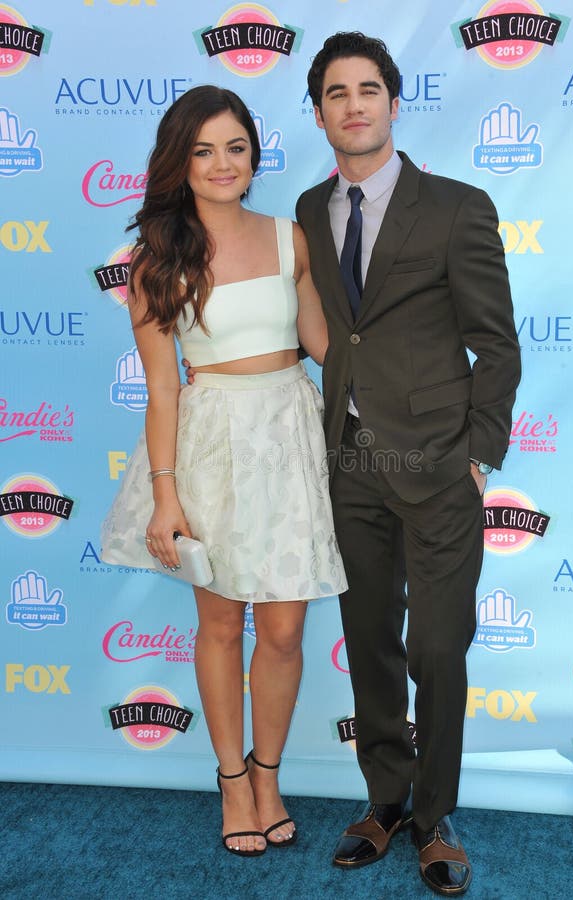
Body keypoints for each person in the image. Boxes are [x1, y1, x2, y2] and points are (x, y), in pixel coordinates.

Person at [295, 32, 521, 895]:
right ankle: (384, 800)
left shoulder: (459, 207)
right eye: (335, 94)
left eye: (368, 90)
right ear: (319, 114)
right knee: (369, 645)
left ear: (393, 102)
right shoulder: (311, 212)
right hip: (351, 463)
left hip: (439, 467)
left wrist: (481, 454)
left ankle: (436, 815)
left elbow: (496, 346)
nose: (353, 105)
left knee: (436, 646)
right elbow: (334, 333)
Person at [100, 85, 347, 858]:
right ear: (180, 161)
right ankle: (232, 780)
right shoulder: (155, 262)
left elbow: (325, 346)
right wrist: (165, 496)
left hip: (287, 430)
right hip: (209, 443)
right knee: (219, 622)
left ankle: (269, 774)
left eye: (235, 147)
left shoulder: (291, 238)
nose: (221, 163)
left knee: (283, 627)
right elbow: (162, 389)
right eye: (203, 150)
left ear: (253, 154)